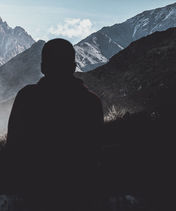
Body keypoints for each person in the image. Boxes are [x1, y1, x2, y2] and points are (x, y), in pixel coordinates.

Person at [6, 38, 104, 210]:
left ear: (43, 67)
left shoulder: (27, 98)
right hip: (80, 196)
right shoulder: (91, 102)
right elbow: (95, 152)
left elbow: (13, 149)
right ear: (74, 67)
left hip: (34, 195)